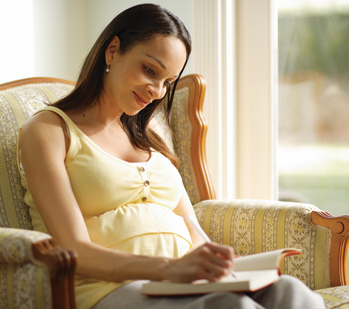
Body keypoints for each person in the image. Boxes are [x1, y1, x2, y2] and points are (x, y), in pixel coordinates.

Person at [17, 3, 325, 308]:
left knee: (292, 292)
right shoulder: (49, 131)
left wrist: (223, 265)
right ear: (112, 50)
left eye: (167, 82)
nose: (157, 91)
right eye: (149, 70)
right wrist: (169, 267)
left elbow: (193, 231)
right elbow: (75, 251)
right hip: (105, 289)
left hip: (182, 283)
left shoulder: (150, 136)